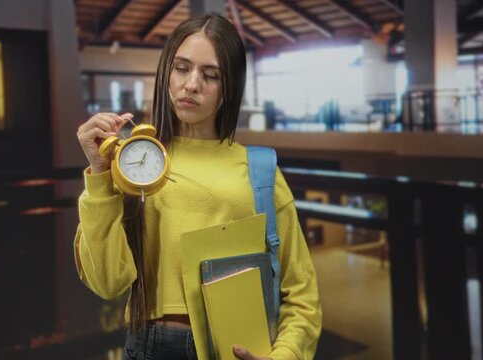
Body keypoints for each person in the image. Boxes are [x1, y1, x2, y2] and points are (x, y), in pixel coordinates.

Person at [74, 13, 321, 360]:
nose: (191, 84)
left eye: (211, 75)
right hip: (150, 347)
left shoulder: (259, 169)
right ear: (166, 73)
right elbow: (107, 283)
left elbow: (302, 293)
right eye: (181, 68)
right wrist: (100, 175)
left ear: (229, 86)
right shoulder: (133, 162)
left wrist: (284, 356)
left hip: (238, 347)